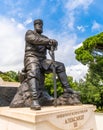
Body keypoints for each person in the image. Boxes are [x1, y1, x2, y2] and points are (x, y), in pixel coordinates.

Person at [24, 19, 76, 110]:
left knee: (60, 66)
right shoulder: (29, 33)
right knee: (34, 70)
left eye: (41, 24)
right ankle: (34, 100)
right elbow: (35, 40)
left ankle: (67, 89)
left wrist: (54, 43)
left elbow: (50, 46)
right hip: (31, 57)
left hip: (43, 60)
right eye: (38, 24)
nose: (40, 26)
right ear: (34, 25)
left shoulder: (45, 37)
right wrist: (48, 41)